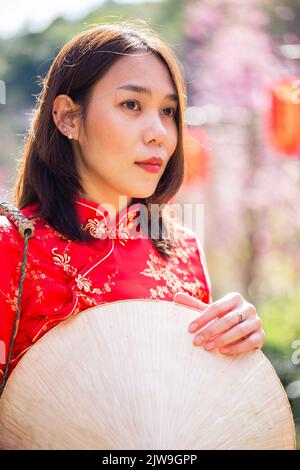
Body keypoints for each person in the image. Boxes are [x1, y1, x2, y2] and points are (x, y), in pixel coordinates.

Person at [0, 20, 265, 393]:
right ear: (67, 117)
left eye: (169, 112)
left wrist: (236, 348)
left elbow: (194, 406)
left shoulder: (183, 250)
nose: (158, 132)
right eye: (131, 104)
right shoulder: (12, 247)